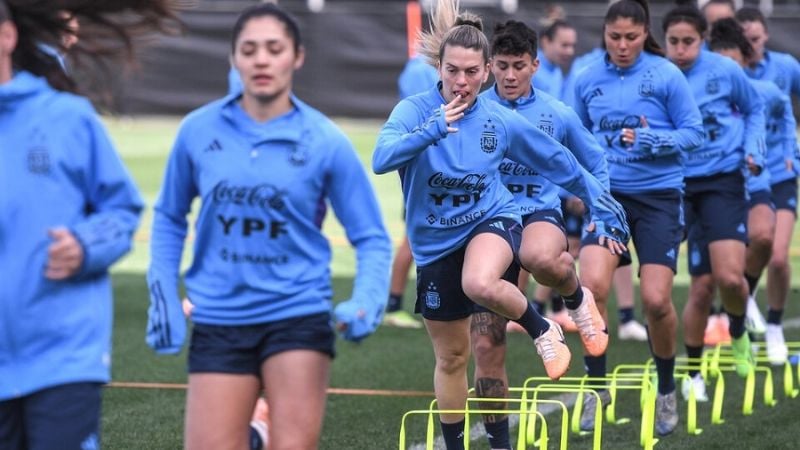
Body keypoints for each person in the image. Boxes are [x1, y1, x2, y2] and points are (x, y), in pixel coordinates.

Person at [372, 1, 629, 448]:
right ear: (440, 68)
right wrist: (433, 129)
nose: (461, 82)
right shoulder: (414, 111)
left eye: (472, 72)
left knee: (480, 281)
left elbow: (559, 160)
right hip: (434, 244)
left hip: (493, 221)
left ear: (485, 71)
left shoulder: (499, 120)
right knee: (452, 357)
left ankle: (542, 326)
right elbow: (381, 159)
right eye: (453, 71)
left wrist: (599, 200)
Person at [146, 4, 392, 449]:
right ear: (233, 59)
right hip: (219, 316)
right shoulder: (197, 132)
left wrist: (369, 298)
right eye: (249, 50)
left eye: (274, 49)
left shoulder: (324, 140)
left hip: (296, 312)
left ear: (297, 57)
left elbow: (371, 237)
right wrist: (162, 290)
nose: (261, 60)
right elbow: (168, 217)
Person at [0, 1, 179, 448]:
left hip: (62, 356)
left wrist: (85, 244)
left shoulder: (67, 118)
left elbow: (121, 212)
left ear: (7, 37)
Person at [469, 19, 619, 449]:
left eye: (519, 65)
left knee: (538, 257)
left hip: (538, 216)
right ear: (488, 66)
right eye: (501, 66)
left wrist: (600, 214)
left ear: (536, 64)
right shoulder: (474, 111)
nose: (510, 75)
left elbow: (596, 162)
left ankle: (575, 297)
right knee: (486, 343)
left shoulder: (557, 114)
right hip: (488, 226)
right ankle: (500, 443)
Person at [568, 0, 705, 436]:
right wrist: (577, 185)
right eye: (614, 37)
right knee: (592, 290)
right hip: (609, 199)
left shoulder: (666, 75)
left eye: (631, 37)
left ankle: (666, 387)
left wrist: (652, 140)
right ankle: (596, 385)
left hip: (659, 199)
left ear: (646, 33)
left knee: (657, 300)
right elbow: (572, 136)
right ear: (605, 34)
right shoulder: (587, 77)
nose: (622, 46)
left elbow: (693, 134)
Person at [662, 4, 765, 399]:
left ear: (704, 40)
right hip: (675, 184)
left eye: (689, 41)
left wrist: (752, 148)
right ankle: (692, 372)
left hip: (722, 182)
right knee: (699, 286)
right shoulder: (659, 74)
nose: (681, 50)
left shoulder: (724, 71)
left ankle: (737, 329)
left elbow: (754, 108)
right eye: (674, 42)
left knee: (729, 279)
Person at [736, 6, 800, 365]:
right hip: (743, 176)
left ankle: (774, 326)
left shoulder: (786, 68)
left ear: (766, 36)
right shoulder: (730, 75)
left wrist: (794, 153)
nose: (751, 46)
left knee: (778, 255)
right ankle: (743, 300)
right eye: (744, 40)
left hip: (780, 172)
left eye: (756, 39)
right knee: (749, 249)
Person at [384, 53, 439, 329]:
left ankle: (395, 304)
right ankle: (393, 304)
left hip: (423, 161)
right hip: (425, 164)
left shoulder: (418, 66)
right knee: (412, 237)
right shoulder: (423, 69)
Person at [533, 20, 576, 100]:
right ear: (545, 42)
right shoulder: (529, 69)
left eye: (572, 46)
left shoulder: (557, 70)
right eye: (564, 45)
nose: (570, 52)